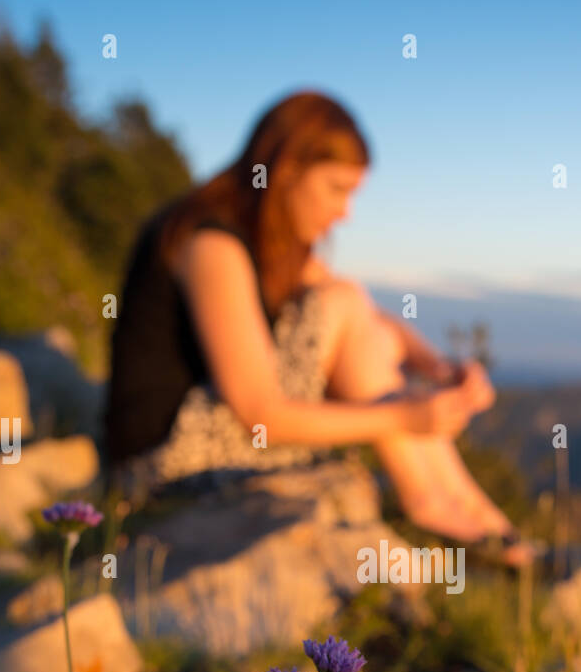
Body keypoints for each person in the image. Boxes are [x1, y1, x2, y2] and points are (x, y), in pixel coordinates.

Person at [104, 89, 542, 565]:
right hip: (164, 464)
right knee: (345, 300)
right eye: (337, 189)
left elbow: (373, 325)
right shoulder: (210, 242)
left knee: (350, 303)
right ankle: (442, 506)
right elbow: (259, 414)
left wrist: (437, 370)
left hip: (206, 438)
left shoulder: (268, 242)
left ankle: (469, 512)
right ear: (287, 169)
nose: (345, 212)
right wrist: (405, 417)